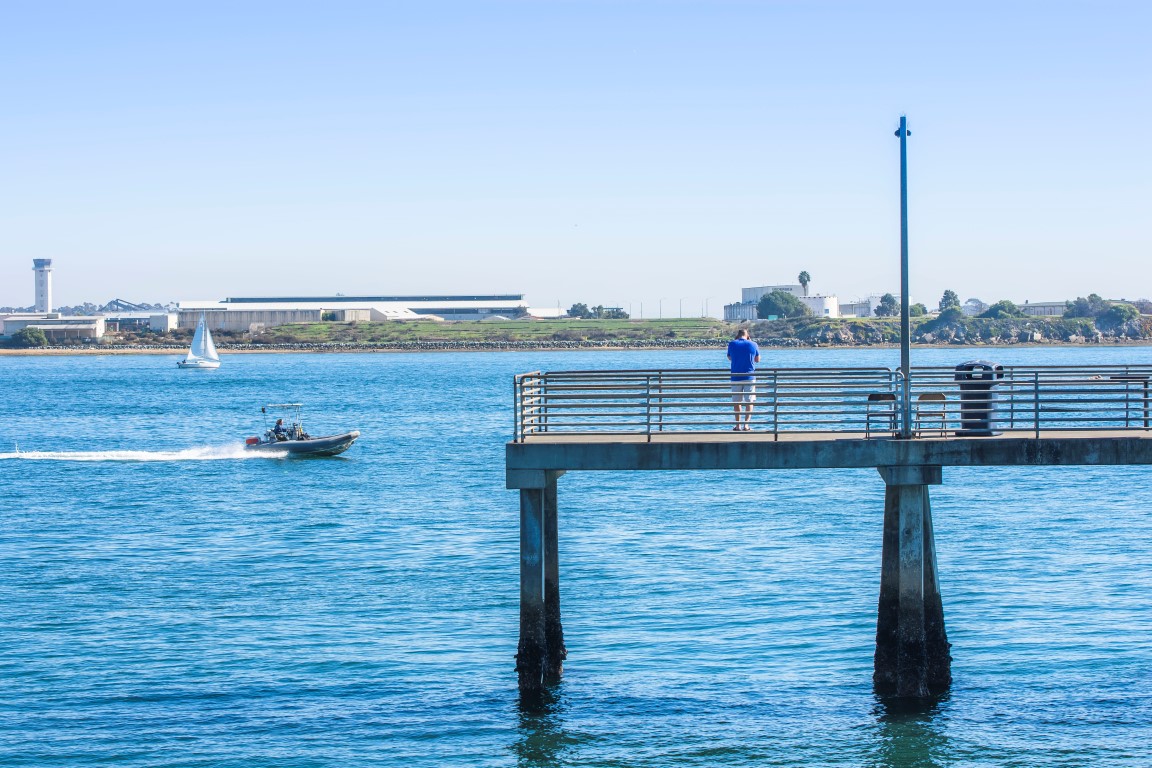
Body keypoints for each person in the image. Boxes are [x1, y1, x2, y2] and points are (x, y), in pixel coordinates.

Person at [727, 328, 760, 431]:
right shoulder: (753, 344)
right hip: (749, 376)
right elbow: (757, 360)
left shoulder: (732, 344)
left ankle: (738, 426)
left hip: (735, 376)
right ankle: (746, 425)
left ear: (738, 335)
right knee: (749, 401)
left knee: (737, 402)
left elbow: (729, 357)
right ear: (747, 335)